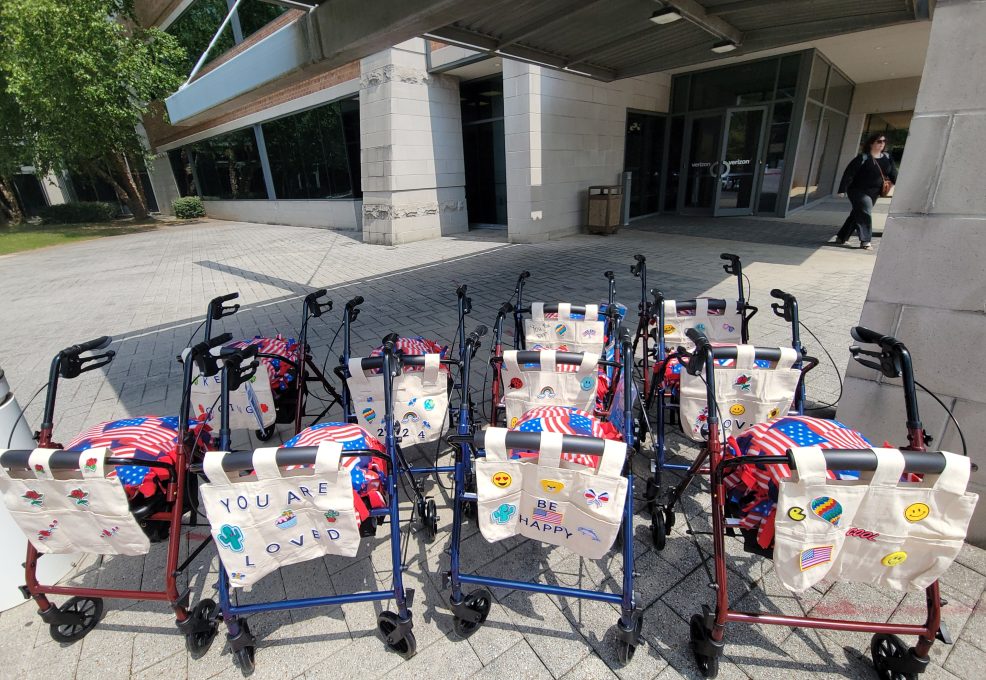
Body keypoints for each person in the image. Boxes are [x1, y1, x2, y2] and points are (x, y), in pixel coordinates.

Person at [834, 132, 897, 249]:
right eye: (879, 141)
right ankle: (865, 241)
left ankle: (841, 237)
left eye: (884, 141)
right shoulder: (863, 158)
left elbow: (893, 174)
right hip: (858, 191)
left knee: (857, 214)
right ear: (871, 143)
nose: (882, 144)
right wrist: (842, 189)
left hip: (874, 192)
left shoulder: (887, 158)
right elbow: (848, 174)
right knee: (865, 213)